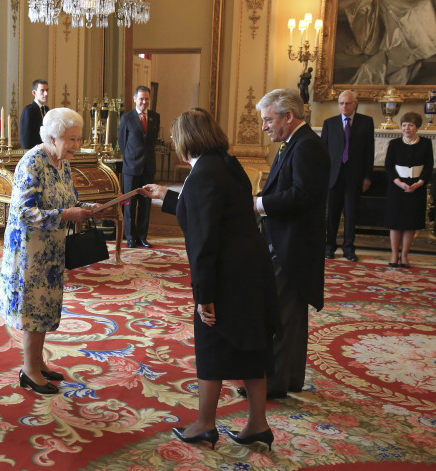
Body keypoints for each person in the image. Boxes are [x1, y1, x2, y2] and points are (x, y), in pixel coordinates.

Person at [142, 108, 279, 451]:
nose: (173, 142)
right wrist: (166, 195)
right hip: (253, 269)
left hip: (227, 274)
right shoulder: (227, 164)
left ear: (187, 139)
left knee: (211, 344)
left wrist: (204, 296)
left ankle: (204, 424)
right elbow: (213, 211)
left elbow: (203, 240)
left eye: (175, 136)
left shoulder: (203, 174)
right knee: (252, 343)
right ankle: (257, 424)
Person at [0, 108, 101, 395]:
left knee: (45, 305)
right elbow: (24, 213)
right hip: (29, 249)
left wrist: (89, 209)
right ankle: (29, 370)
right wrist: (67, 214)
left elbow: (69, 199)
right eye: (71, 139)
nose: (76, 146)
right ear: (53, 137)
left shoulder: (62, 163)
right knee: (33, 307)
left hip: (51, 247)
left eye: (78, 139)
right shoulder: (32, 162)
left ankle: (38, 362)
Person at [243, 89, 329, 400]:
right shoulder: (294, 143)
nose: (265, 126)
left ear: (287, 117)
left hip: (292, 245)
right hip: (286, 240)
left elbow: (303, 195)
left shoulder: (307, 146)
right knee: (288, 314)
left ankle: (273, 382)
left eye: (268, 119)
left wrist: (259, 204)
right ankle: (287, 377)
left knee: (280, 313)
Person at [322, 90, 375, 262]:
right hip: (333, 176)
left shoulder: (366, 122)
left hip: (355, 176)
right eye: (341, 103)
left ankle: (349, 248)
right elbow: (323, 152)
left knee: (351, 214)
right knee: (332, 215)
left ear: (355, 104)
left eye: (347, 103)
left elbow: (369, 152)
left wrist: (367, 176)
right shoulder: (329, 123)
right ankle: (329, 247)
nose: (344, 106)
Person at [384, 112, 433, 268]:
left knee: (410, 223)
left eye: (410, 125)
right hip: (397, 187)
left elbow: (429, 166)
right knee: (395, 222)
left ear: (417, 127)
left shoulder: (426, 144)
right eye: (404, 125)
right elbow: (388, 166)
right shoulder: (394, 144)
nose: (407, 128)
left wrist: (419, 183)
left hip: (416, 187)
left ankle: (404, 255)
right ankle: (393, 254)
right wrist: (399, 183)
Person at [118, 85, 160, 248]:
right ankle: (130, 237)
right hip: (131, 168)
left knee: (146, 203)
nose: (144, 102)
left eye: (147, 99)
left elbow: (152, 141)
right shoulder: (127, 118)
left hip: (148, 167)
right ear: (135, 99)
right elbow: (122, 142)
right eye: (141, 98)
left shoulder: (155, 117)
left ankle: (142, 236)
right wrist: (131, 157)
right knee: (129, 204)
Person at [19, 79, 49, 149]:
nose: (46, 94)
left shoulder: (47, 109)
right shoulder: (28, 110)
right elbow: (25, 138)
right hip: (33, 154)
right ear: (34, 93)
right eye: (42, 91)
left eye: (47, 90)